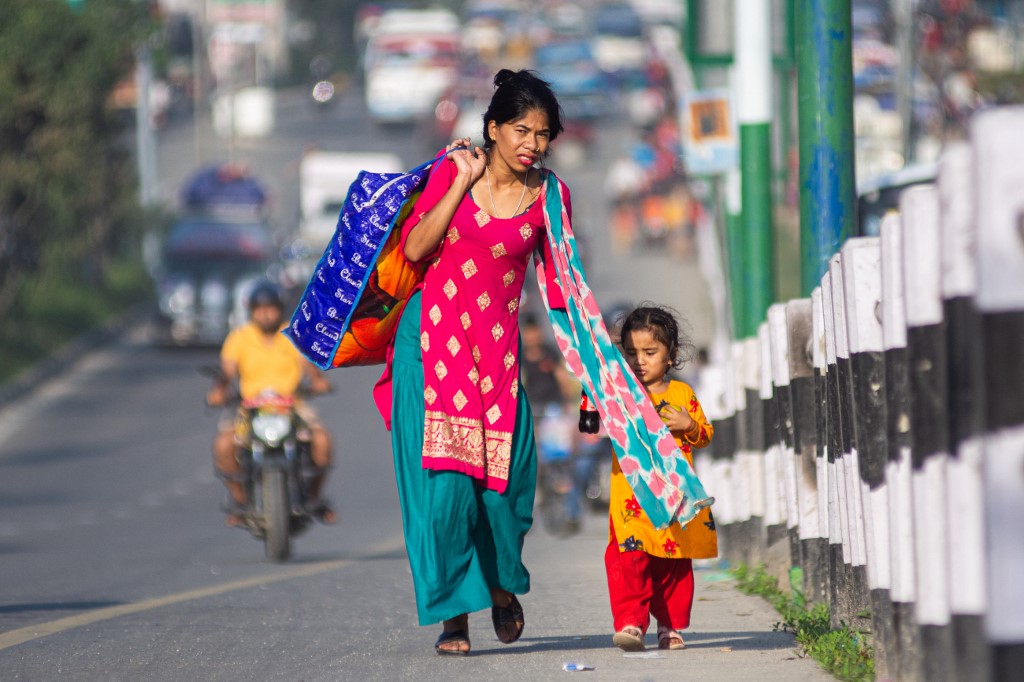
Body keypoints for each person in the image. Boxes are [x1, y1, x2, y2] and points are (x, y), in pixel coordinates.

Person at [380, 69, 572, 656]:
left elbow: (565, 285)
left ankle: (498, 584)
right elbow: (414, 249)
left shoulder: (550, 196)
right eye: (520, 130)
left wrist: (587, 368)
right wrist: (460, 184)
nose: (531, 144)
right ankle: (453, 617)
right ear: (492, 128)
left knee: (507, 489)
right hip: (430, 346)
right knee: (442, 491)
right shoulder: (452, 168)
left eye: (542, 134)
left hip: (497, 354)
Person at [605, 305, 716, 652]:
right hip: (631, 498)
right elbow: (595, 422)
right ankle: (631, 624)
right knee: (630, 558)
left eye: (650, 352)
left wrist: (690, 426)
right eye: (632, 353)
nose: (640, 361)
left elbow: (706, 435)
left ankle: (668, 626)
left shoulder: (682, 395)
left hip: (675, 498)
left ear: (672, 355)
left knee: (672, 562)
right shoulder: (619, 394)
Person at [206, 282, 335, 526]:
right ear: (252, 311)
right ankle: (240, 499)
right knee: (223, 445)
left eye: (271, 308)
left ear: (280, 309)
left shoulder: (293, 334)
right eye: (260, 309)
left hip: (292, 405)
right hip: (250, 408)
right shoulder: (239, 338)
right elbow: (226, 373)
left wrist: (319, 382)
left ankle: (315, 497)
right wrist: (218, 392)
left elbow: (310, 367)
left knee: (322, 440)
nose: (266, 314)